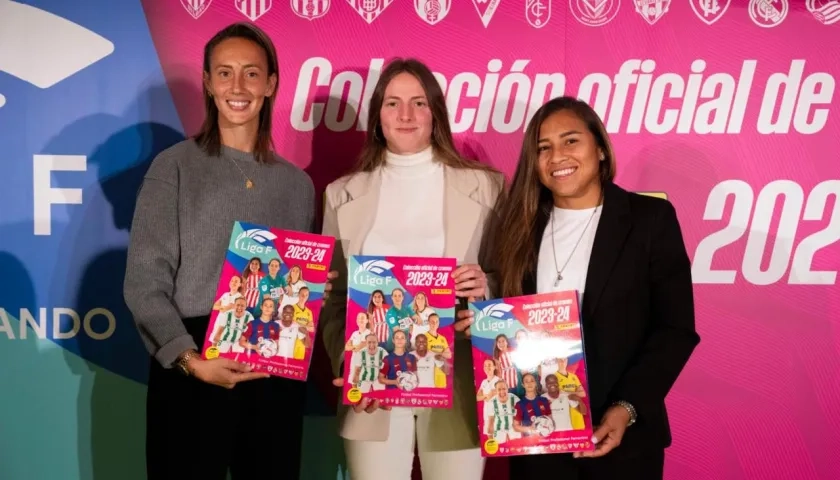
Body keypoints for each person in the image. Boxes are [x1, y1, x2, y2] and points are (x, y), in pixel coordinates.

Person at [124, 22, 332, 479]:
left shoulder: (297, 185)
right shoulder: (174, 167)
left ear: (271, 83)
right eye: (224, 73)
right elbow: (144, 282)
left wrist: (314, 286)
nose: (238, 87)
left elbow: (296, 288)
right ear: (207, 81)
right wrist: (191, 360)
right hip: (192, 367)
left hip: (273, 370)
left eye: (251, 74)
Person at [484, 96, 700, 479]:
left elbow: (675, 329)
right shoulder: (518, 230)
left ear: (599, 148)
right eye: (543, 148)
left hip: (623, 437)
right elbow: (507, 322)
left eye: (571, 141)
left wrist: (626, 407)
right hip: (536, 436)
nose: (557, 156)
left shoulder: (649, 220)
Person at [319, 57, 504, 480]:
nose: (405, 115)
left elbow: (512, 279)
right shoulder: (340, 193)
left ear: (435, 113)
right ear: (377, 117)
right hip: (372, 391)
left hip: (459, 382)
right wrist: (346, 364)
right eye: (392, 103)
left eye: (418, 103)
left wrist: (486, 288)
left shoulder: (488, 186)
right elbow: (332, 301)